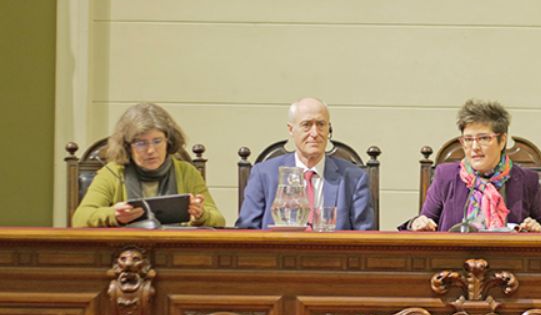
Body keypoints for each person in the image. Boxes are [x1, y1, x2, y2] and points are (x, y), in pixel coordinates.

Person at [403, 99, 541, 232]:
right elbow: (426, 223)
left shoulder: (527, 180)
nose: (474, 147)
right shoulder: (445, 176)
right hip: (454, 260)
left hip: (508, 260)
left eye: (483, 138)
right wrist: (417, 223)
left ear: (502, 141)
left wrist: (536, 229)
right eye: (468, 139)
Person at [71, 103, 225, 228]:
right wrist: (113, 215)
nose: (151, 150)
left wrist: (200, 214)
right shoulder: (112, 173)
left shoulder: (186, 172)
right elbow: (80, 218)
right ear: (127, 146)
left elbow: (219, 220)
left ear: (168, 141)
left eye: (157, 141)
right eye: (140, 143)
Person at [236, 97, 374, 230]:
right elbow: (246, 231)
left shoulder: (354, 178)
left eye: (321, 124)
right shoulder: (264, 174)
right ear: (291, 130)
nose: (314, 133)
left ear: (329, 129)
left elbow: (365, 238)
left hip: (332, 253)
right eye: (306, 125)